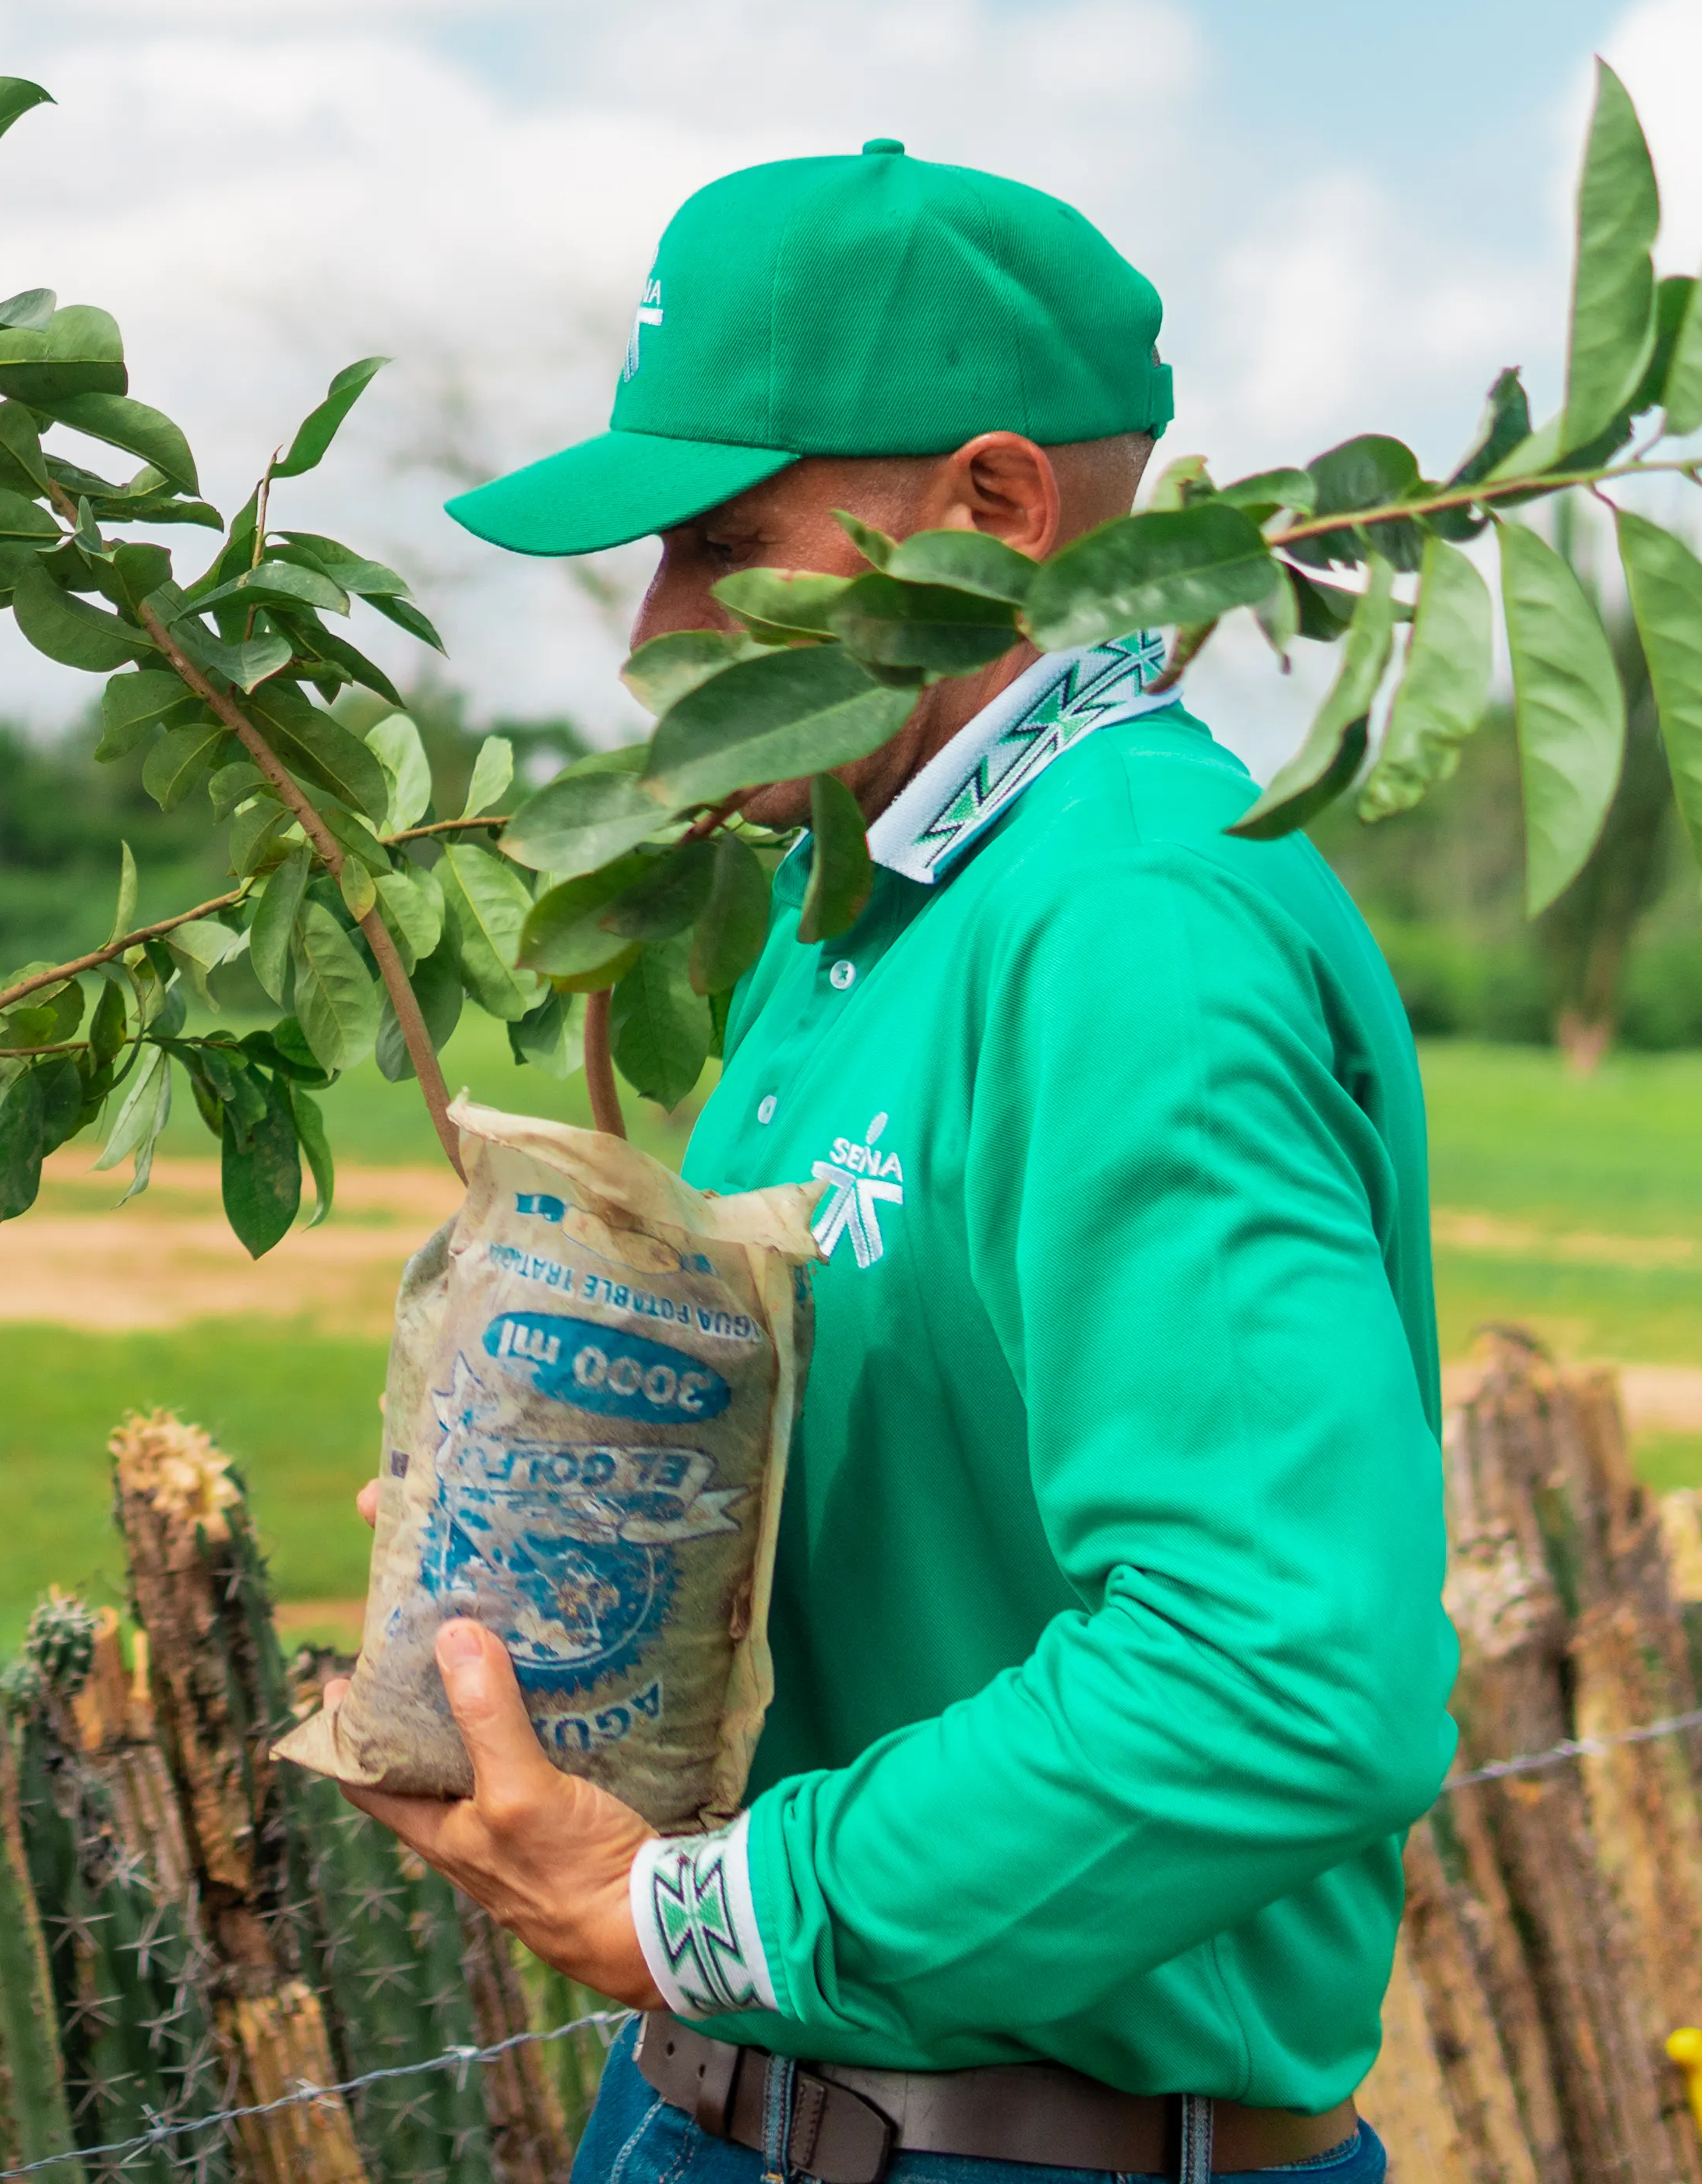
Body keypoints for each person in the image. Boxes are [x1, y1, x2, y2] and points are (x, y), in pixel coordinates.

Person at [367, 140, 1445, 2184]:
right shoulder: (859, 897)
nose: (653, 636)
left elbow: (1283, 1670)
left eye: (727, 541)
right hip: (742, 2110)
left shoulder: (1127, 928)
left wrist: (696, 1911)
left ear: (996, 508)